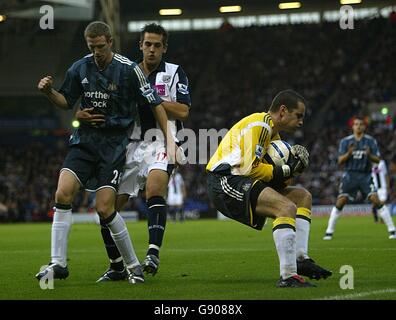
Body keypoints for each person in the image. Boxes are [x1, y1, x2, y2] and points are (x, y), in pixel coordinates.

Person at [35, 21, 179, 285]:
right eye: (92, 47)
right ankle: (58, 263)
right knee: (62, 193)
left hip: (114, 148)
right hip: (84, 143)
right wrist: (48, 92)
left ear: (110, 42)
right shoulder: (80, 67)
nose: (97, 52)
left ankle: (132, 266)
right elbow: (66, 101)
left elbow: (156, 104)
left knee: (104, 208)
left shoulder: (129, 70)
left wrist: (170, 141)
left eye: (101, 47)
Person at [76, 23, 191, 281]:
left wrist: (152, 99)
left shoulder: (173, 73)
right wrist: (79, 114)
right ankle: (116, 265)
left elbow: (183, 111)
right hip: (128, 143)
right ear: (140, 45)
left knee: (154, 187)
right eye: (147, 44)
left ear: (164, 48)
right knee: (106, 207)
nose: (151, 50)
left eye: (157, 45)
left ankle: (152, 252)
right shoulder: (126, 72)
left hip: (162, 138)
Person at [206, 90, 332, 287]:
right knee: (285, 207)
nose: (301, 122)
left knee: (301, 197)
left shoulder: (274, 135)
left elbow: (280, 182)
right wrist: (287, 168)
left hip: (241, 178)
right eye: (298, 115)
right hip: (225, 180)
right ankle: (288, 276)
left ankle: (300, 260)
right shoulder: (260, 124)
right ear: (283, 111)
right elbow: (251, 168)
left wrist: (293, 171)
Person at [323, 117, 396, 240]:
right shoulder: (345, 142)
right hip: (350, 175)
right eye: (356, 124)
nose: (358, 126)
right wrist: (349, 153)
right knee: (341, 201)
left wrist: (369, 155)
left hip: (365, 175)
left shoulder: (370, 141)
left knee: (376, 200)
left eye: (361, 124)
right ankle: (329, 232)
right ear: (353, 127)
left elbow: (378, 159)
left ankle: (392, 230)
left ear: (364, 127)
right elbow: (340, 161)